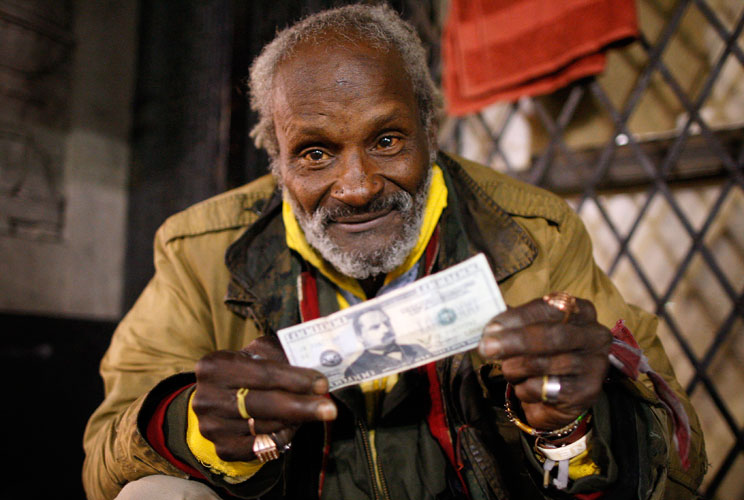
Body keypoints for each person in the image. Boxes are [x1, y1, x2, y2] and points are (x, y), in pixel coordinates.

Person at [83, 4, 706, 500]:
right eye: (315, 153)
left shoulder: (533, 232)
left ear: (430, 131)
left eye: (386, 140)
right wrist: (198, 427)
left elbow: (682, 458)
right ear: (276, 160)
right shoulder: (201, 248)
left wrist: (571, 426)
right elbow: (102, 457)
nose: (357, 187)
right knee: (155, 493)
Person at [344, 307, 430, 378]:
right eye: (375, 327)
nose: (386, 330)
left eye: (387, 323)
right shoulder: (355, 369)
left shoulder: (416, 348)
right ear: (360, 337)